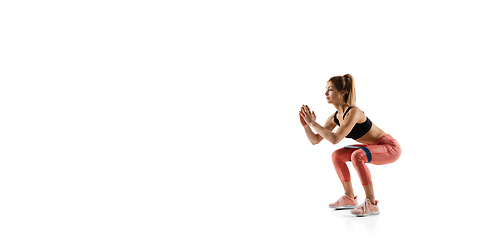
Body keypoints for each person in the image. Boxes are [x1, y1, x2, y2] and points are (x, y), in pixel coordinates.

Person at [299, 74, 402, 217]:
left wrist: (313, 123)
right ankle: (349, 198)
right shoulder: (335, 117)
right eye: (326, 89)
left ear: (343, 92)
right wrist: (306, 126)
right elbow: (315, 140)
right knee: (337, 156)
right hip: (372, 146)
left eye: (330, 89)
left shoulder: (354, 112)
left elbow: (335, 139)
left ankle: (371, 204)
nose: (326, 93)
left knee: (357, 156)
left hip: (390, 147)